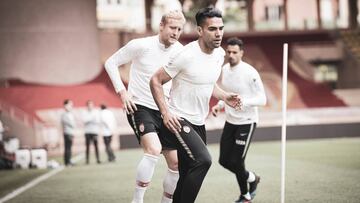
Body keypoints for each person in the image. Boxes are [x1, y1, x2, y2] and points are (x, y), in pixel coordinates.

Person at [150, 7, 241, 203]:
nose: (218, 33)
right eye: (212, 29)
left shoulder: (219, 55)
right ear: (200, 30)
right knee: (203, 161)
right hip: (177, 120)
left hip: (198, 122)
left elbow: (208, 83)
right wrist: (165, 113)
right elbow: (155, 80)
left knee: (188, 170)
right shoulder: (186, 55)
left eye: (221, 28)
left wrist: (224, 96)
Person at [104, 10, 186, 203]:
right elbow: (111, 62)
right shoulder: (141, 45)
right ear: (161, 26)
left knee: (176, 162)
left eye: (180, 29)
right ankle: (138, 200)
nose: (176, 32)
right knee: (154, 149)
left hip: (165, 110)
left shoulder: (180, 51)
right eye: (172, 28)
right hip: (139, 106)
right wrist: (122, 92)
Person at [212, 37, 267, 203]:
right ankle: (252, 178)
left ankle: (245, 196)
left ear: (241, 53)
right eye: (228, 52)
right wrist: (220, 105)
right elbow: (228, 93)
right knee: (223, 160)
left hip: (247, 122)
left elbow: (262, 99)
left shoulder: (250, 72)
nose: (231, 55)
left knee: (237, 161)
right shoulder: (225, 69)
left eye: (235, 52)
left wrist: (245, 101)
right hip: (230, 121)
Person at [82, 100, 101, 164]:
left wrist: (90, 119)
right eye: (89, 105)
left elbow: (97, 121)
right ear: (87, 105)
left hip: (94, 131)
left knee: (96, 146)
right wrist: (91, 119)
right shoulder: (84, 112)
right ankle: (87, 160)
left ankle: (98, 159)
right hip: (87, 132)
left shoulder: (96, 112)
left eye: (91, 105)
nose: (90, 106)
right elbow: (84, 121)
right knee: (87, 147)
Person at [61, 99, 76, 166]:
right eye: (70, 104)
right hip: (67, 132)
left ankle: (68, 160)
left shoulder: (70, 114)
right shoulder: (65, 114)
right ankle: (67, 161)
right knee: (67, 148)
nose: (71, 106)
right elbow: (71, 124)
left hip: (70, 132)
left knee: (69, 148)